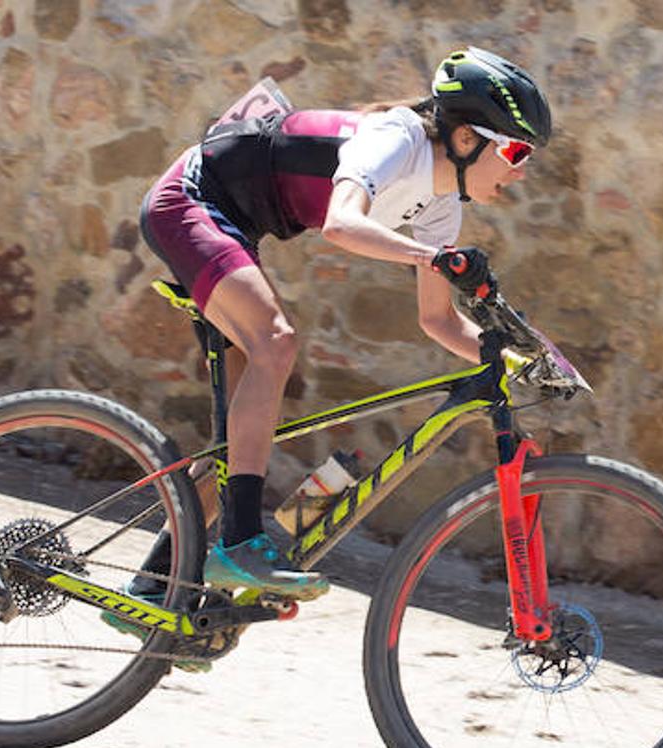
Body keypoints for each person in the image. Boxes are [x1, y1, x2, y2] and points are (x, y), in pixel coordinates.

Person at [131, 47, 551, 602]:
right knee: (276, 342)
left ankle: (150, 592)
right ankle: (239, 548)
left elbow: (438, 320)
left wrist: (522, 362)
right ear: (468, 139)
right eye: (517, 153)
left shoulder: (443, 206)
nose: (520, 173)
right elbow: (341, 222)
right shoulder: (397, 138)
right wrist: (431, 259)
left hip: (236, 226)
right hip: (189, 202)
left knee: (242, 443)